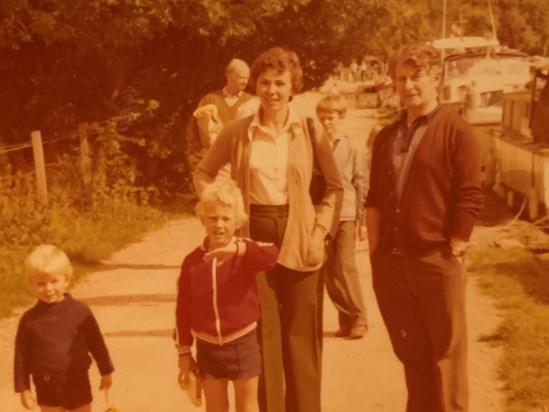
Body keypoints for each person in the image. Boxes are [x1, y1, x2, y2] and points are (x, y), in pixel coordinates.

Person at [193, 46, 343, 412]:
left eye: (280, 83)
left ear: (293, 88)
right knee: (261, 337)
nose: (272, 90)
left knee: (302, 338)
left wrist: (321, 231)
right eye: (264, 83)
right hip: (252, 238)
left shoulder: (310, 129)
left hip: (300, 235)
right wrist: (221, 210)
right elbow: (203, 172)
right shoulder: (238, 131)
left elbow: (337, 187)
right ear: (255, 87)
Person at [365, 43, 484, 412]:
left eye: (416, 77)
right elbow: (373, 200)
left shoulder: (457, 131)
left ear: (436, 78)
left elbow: (469, 195)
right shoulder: (385, 136)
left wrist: (456, 247)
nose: (408, 85)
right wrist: (375, 254)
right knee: (412, 355)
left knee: (446, 358)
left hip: (436, 262)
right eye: (401, 78)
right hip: (393, 266)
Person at [175, 178, 278, 412]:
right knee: (215, 408)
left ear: (238, 221)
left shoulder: (245, 252)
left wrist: (239, 250)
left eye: (226, 218)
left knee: (247, 407)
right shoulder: (192, 262)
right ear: (202, 218)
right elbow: (182, 310)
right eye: (212, 218)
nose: (219, 225)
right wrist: (183, 351)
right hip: (208, 347)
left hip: (242, 342)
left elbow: (271, 255)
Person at [14, 245, 114, 412]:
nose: (48, 288)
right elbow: (21, 356)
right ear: (31, 284)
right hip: (46, 384)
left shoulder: (80, 312)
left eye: (54, 281)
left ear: (66, 279)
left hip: (78, 380)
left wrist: (106, 371)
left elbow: (96, 343)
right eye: (41, 283)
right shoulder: (29, 320)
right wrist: (23, 388)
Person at [315, 94, 368, 340]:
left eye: (331, 118)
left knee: (346, 265)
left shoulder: (353, 147)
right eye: (323, 118)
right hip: (322, 215)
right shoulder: (314, 146)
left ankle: (360, 318)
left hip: (346, 212)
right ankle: (345, 318)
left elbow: (360, 183)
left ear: (341, 117)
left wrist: (362, 221)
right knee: (328, 270)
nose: (327, 123)